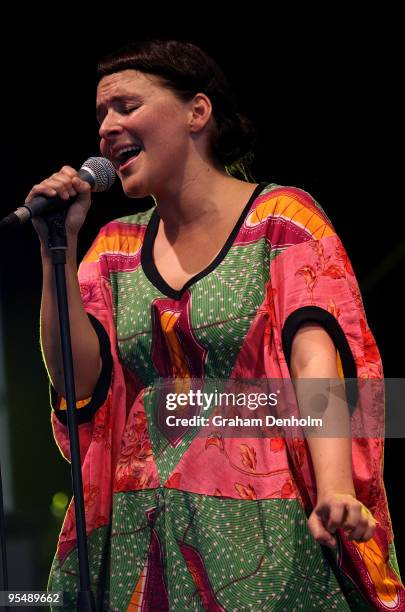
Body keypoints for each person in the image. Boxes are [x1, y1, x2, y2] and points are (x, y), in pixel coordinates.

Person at [27, 39, 403, 611]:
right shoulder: (113, 248)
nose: (106, 128)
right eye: (101, 115)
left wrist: (334, 487)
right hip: (137, 532)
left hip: (257, 534)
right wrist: (59, 246)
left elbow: (315, 357)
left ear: (197, 112)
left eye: (126, 107)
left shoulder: (282, 221)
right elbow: (79, 384)